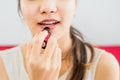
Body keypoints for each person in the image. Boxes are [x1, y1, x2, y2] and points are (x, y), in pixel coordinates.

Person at [0, 0, 119, 80]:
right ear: (20, 7)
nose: (48, 8)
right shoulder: (2, 65)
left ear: (75, 4)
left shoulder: (104, 66)